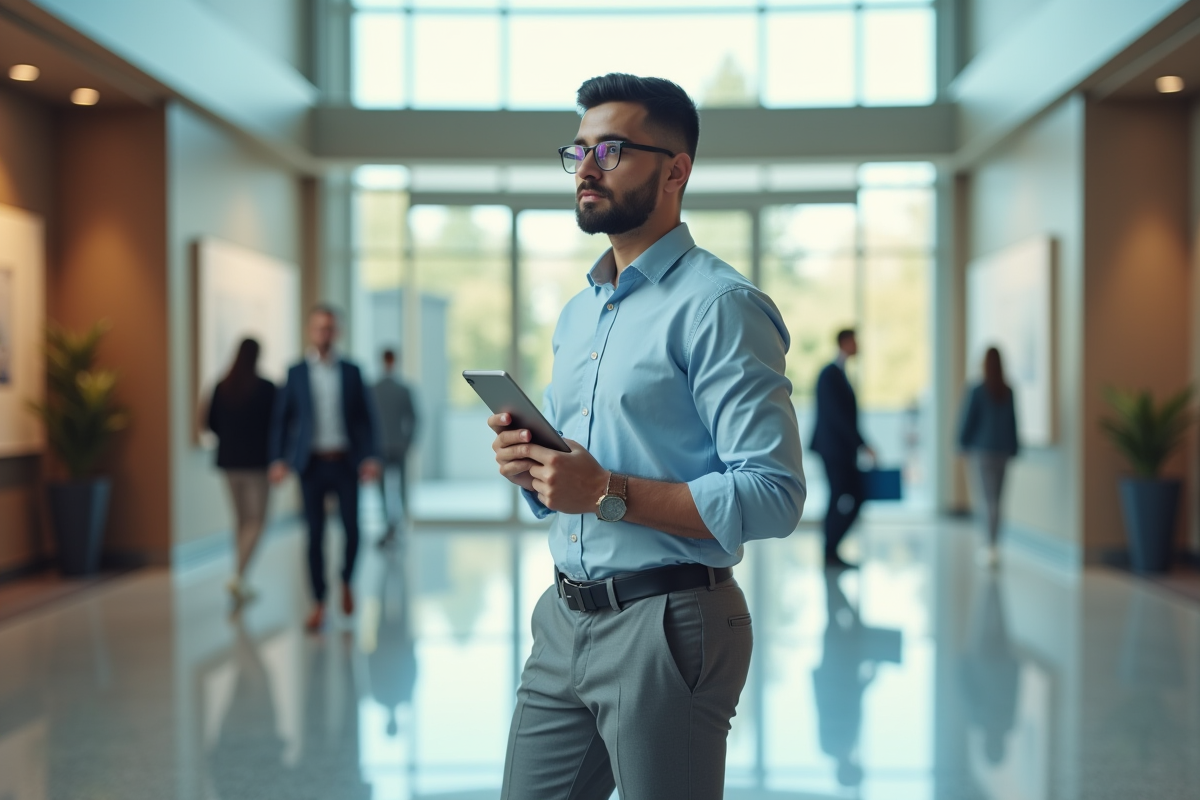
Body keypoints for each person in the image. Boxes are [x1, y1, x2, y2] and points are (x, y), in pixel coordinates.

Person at [489, 73, 806, 799]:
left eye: (610, 150)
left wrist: (606, 490)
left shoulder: (720, 307)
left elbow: (774, 495)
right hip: (563, 618)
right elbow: (579, 475)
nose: (587, 167)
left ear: (675, 170)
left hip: (668, 622)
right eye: (578, 151)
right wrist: (535, 469)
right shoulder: (579, 313)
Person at [269, 305, 381, 632]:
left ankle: (346, 579)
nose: (324, 333)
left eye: (330, 328)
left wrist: (370, 457)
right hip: (311, 466)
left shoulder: (352, 371)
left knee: (352, 530)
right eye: (319, 328)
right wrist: (278, 459)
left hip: (345, 462)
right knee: (314, 535)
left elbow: (366, 418)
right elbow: (282, 420)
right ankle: (319, 603)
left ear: (338, 332)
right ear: (310, 330)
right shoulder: (295, 372)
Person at [206, 338, 277, 608]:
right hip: (256, 464)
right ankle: (239, 575)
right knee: (257, 521)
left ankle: (241, 578)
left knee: (241, 521)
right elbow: (277, 425)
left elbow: (210, 423)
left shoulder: (222, 386)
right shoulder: (266, 389)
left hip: (230, 463)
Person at [811, 329, 876, 569]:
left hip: (840, 450)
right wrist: (862, 444)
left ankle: (831, 550)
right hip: (833, 451)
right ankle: (830, 550)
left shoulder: (839, 373)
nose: (858, 345)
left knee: (844, 497)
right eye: (854, 341)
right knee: (841, 497)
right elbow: (838, 417)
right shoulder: (830, 374)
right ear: (844, 343)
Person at [958, 346, 1019, 567]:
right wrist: (1014, 448)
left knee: (986, 500)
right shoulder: (1007, 390)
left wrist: (961, 443)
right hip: (1002, 451)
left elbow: (968, 419)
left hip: (982, 452)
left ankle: (989, 545)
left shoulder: (978, 390)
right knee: (996, 500)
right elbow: (1013, 422)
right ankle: (993, 545)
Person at [372, 348, 418, 547]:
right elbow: (414, 418)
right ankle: (393, 527)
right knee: (392, 489)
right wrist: (408, 442)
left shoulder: (376, 389)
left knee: (390, 490)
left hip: (389, 447)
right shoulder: (399, 389)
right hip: (391, 446)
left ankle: (394, 527)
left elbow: (414, 418)